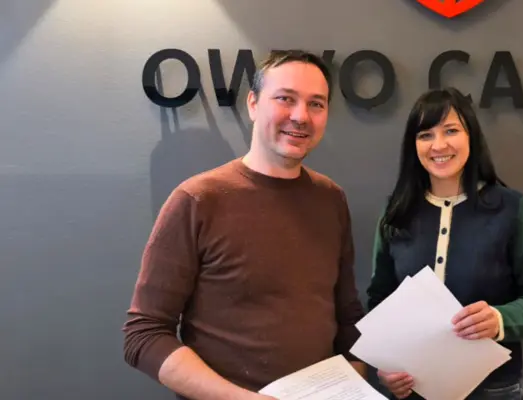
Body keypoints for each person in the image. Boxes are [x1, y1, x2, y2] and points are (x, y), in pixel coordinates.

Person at [122, 50, 366, 400]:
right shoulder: (197, 199)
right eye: (285, 99)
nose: (301, 116)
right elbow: (144, 335)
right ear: (253, 104)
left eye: (316, 104)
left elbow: (347, 317)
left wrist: (355, 383)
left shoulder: (331, 199)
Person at [366, 87, 523, 400]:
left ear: (471, 136)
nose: (438, 145)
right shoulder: (395, 213)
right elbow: (380, 299)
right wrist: (387, 366)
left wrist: (500, 319)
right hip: (415, 390)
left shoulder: (510, 209)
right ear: (413, 145)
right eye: (425, 135)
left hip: (495, 390)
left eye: (451, 131)